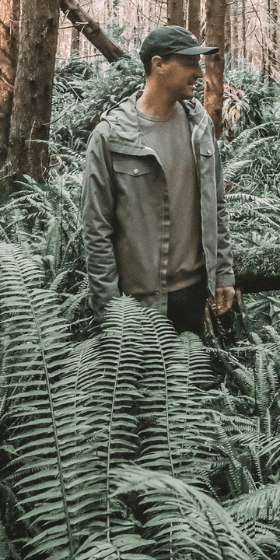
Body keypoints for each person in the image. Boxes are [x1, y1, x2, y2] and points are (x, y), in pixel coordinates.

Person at [81, 25, 236, 337]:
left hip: (193, 296)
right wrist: (110, 312)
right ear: (159, 64)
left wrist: (222, 274)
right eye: (190, 62)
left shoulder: (199, 126)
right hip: (135, 306)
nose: (198, 72)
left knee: (189, 385)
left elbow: (215, 208)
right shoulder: (111, 136)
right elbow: (96, 232)